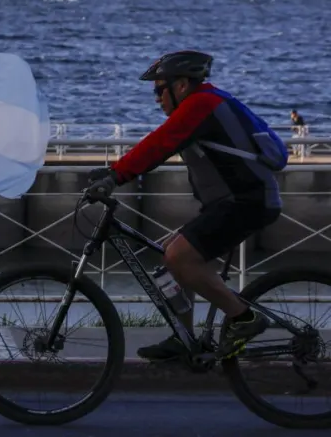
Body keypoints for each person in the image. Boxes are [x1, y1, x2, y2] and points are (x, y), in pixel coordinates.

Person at [85, 50, 285, 362]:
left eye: (158, 90)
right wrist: (115, 172)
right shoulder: (208, 101)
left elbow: (161, 143)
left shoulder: (202, 104)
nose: (156, 99)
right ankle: (184, 338)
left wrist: (116, 176)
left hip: (247, 202)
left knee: (180, 256)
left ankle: (244, 318)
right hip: (230, 203)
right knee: (170, 256)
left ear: (181, 85)